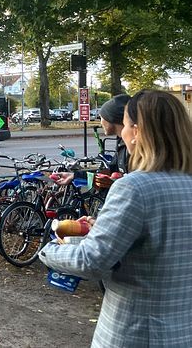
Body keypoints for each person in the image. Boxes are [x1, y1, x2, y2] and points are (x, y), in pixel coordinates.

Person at [40, 90, 192, 347]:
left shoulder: (135, 187)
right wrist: (104, 229)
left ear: (137, 130)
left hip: (135, 333)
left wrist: (49, 250)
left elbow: (92, 261)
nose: (122, 132)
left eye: (126, 124)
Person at [54, 94, 131, 187]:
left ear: (111, 118)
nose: (100, 122)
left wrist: (115, 183)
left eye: (101, 117)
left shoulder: (135, 146)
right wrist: (74, 176)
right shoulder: (121, 142)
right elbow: (111, 170)